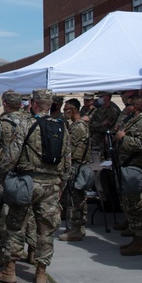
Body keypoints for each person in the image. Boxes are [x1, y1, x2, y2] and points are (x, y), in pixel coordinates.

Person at [0, 89, 70, 283]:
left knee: (16, 226)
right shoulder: (62, 127)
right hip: (51, 185)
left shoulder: (26, 124)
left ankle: (10, 270)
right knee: (46, 230)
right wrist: (62, 184)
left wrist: (6, 176)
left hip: (26, 183)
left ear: (34, 104)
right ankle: (41, 272)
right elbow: (68, 161)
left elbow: (11, 156)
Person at [0, 90, 30, 268]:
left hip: (5, 176)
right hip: (26, 175)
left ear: (5, 103)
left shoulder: (2, 124)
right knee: (22, 215)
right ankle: (27, 251)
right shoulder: (32, 122)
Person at [114, 90, 142, 256]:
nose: (126, 107)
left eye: (128, 104)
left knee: (137, 206)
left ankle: (139, 242)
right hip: (127, 167)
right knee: (129, 204)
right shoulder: (131, 119)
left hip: (136, 169)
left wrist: (123, 138)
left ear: (136, 107)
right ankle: (135, 237)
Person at [57, 103, 90, 242]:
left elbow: (69, 147)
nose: (64, 112)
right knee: (78, 197)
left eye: (66, 110)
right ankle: (78, 227)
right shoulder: (79, 125)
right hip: (78, 164)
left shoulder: (78, 127)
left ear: (73, 110)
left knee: (75, 198)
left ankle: (76, 229)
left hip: (76, 165)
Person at [89, 91, 120, 160]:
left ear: (108, 97)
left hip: (105, 144)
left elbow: (105, 128)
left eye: (101, 96)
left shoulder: (113, 111)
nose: (100, 99)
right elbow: (90, 125)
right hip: (95, 143)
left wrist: (97, 125)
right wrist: (100, 124)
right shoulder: (98, 110)